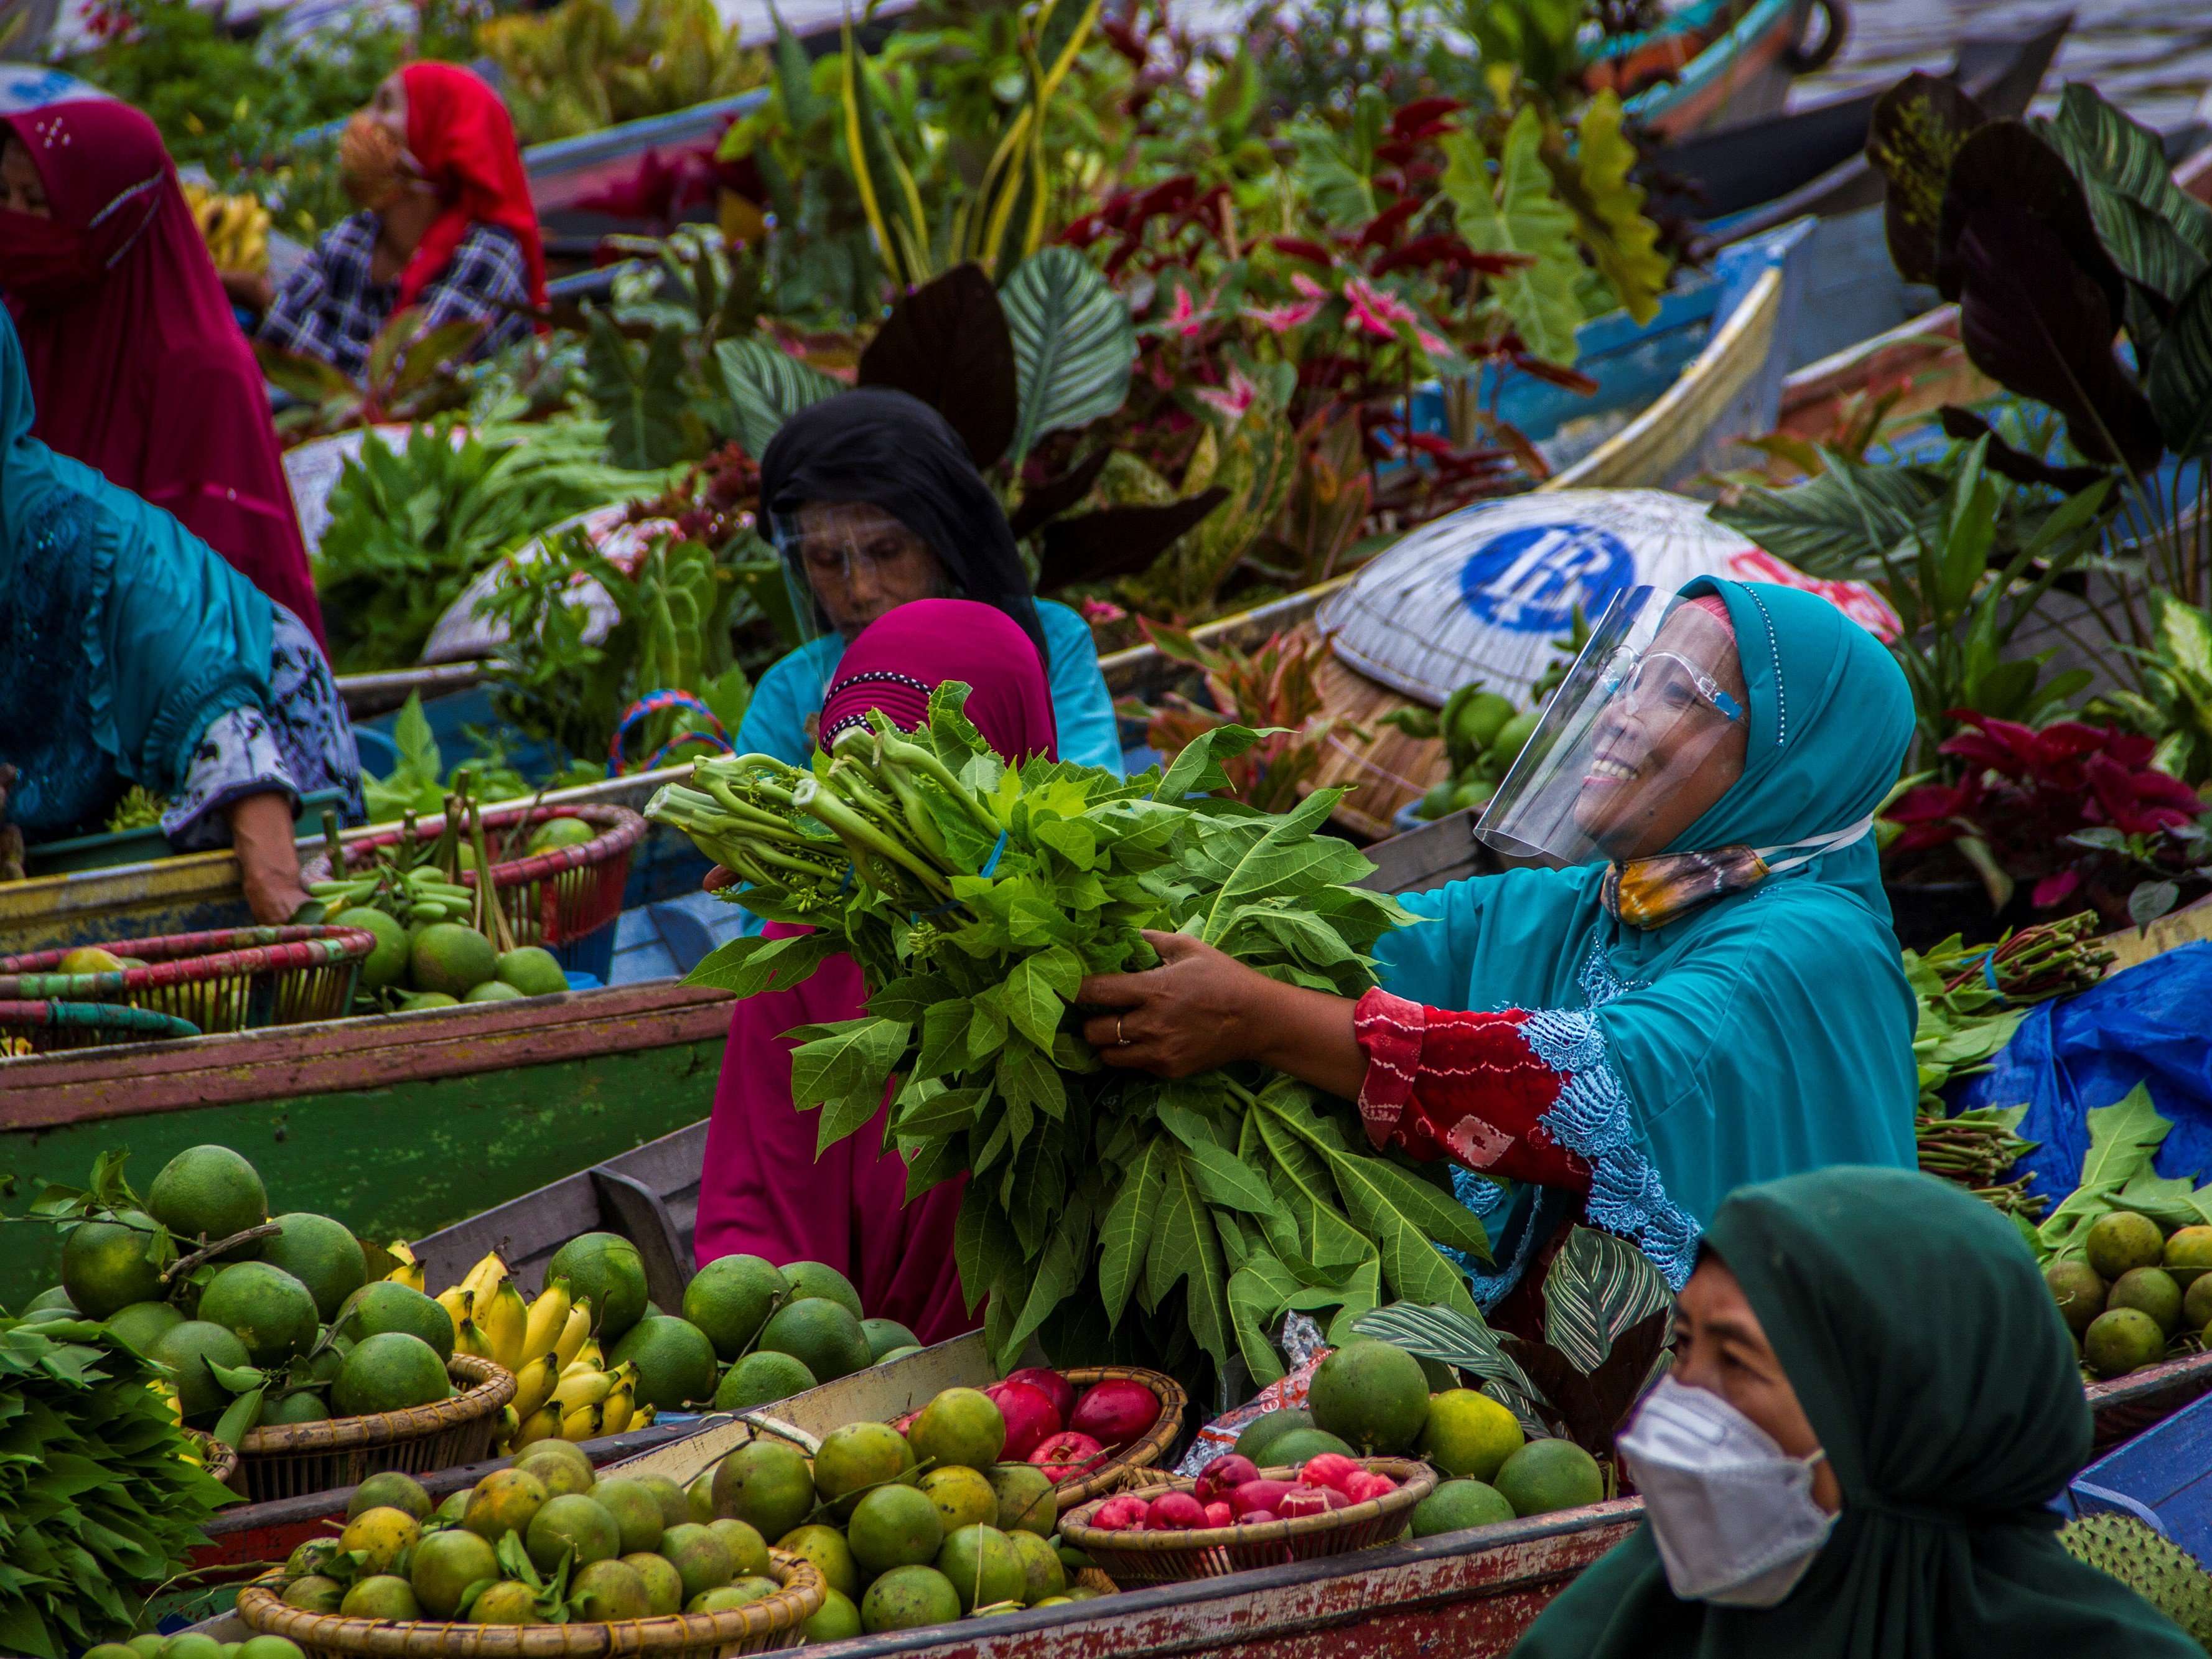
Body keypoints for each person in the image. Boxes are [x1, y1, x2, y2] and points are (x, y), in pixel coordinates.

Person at [1076, 578, 1919, 1300]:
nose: (1621, 715)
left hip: (1753, 1402)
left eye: (1679, 696)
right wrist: (1157, 903)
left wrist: (1255, 1017)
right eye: (1631, 682)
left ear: (1791, 766)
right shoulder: (1610, 899)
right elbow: (1393, 934)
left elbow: (1582, 1082)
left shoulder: (1804, 943)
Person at [1513, 1165, 2201, 1657]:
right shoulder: (1631, 1617)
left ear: (1906, 1416)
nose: (1673, 1404)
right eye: (1686, 1346)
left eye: (1738, 1362)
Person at [694, 599, 1058, 1343]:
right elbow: (754, 1218)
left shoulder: (1082, 939)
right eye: (855, 787)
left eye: (919, 783)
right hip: (855, 1370)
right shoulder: (805, 950)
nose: (880, 825)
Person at [0, 307, 362, 920]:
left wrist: (281, 889)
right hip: (92, 786)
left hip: (253, 714)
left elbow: (211, 697)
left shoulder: (72, 531)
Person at [0, 100, 325, 647]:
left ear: (116, 217)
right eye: (2, 196)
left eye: (37, 202)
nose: (15, 221)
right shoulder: (23, 327)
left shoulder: (200, 370)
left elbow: (205, 611)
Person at [739, 388, 1122, 777]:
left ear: (940, 546)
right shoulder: (787, 697)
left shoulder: (1049, 644)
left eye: (887, 552)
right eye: (825, 560)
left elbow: (1091, 797)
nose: (860, 591)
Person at [257, 62, 544, 380]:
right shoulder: (349, 241)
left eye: (386, 105)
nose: (364, 121)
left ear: (434, 135)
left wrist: (266, 303)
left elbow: (405, 384)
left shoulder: (487, 257)